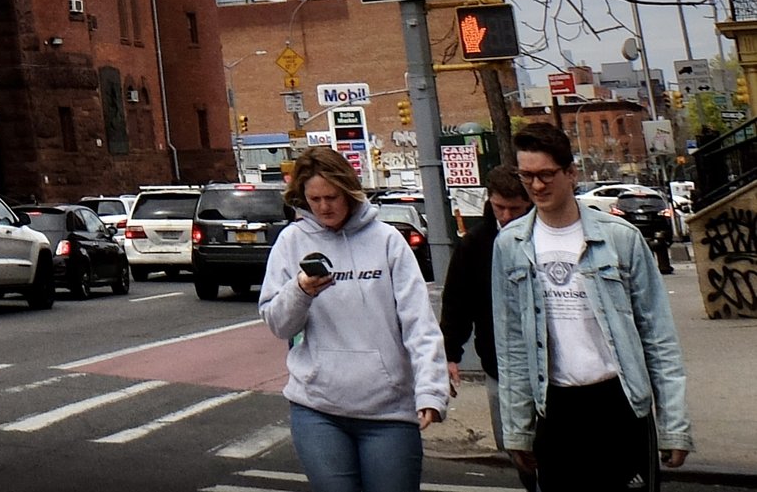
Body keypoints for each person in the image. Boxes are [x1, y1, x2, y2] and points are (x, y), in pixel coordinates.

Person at [494, 122, 690, 490]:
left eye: (547, 175)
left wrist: (674, 425)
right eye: (528, 176)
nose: (537, 186)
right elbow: (512, 344)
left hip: (620, 402)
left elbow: (657, 335)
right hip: (555, 408)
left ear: (571, 173)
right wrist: (517, 429)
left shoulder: (620, 238)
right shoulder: (510, 245)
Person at [262, 145, 450, 492]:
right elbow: (278, 324)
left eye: (331, 197)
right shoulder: (292, 241)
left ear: (348, 191)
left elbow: (418, 323)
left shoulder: (387, 241)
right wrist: (301, 291)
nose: (324, 207)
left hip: (388, 412)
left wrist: (431, 391)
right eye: (314, 199)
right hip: (317, 407)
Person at [443, 167, 536, 490]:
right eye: (500, 208)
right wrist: (449, 354)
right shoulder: (477, 243)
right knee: (518, 448)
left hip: (550, 364)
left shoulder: (541, 235)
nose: (507, 216)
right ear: (490, 202)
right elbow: (457, 302)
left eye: (515, 209)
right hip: (500, 365)